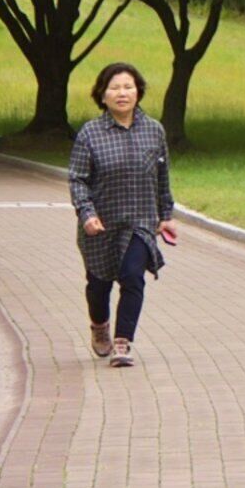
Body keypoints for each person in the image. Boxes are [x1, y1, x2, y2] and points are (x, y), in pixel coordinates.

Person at [68, 61, 179, 368]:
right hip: (101, 225)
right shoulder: (90, 134)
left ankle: (122, 342)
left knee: (132, 277)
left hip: (140, 223)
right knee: (98, 284)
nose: (122, 93)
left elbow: (162, 176)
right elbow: (77, 179)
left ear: (138, 92)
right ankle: (99, 325)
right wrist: (86, 214)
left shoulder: (154, 131)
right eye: (114, 88)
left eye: (128, 87)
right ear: (102, 95)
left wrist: (166, 215)